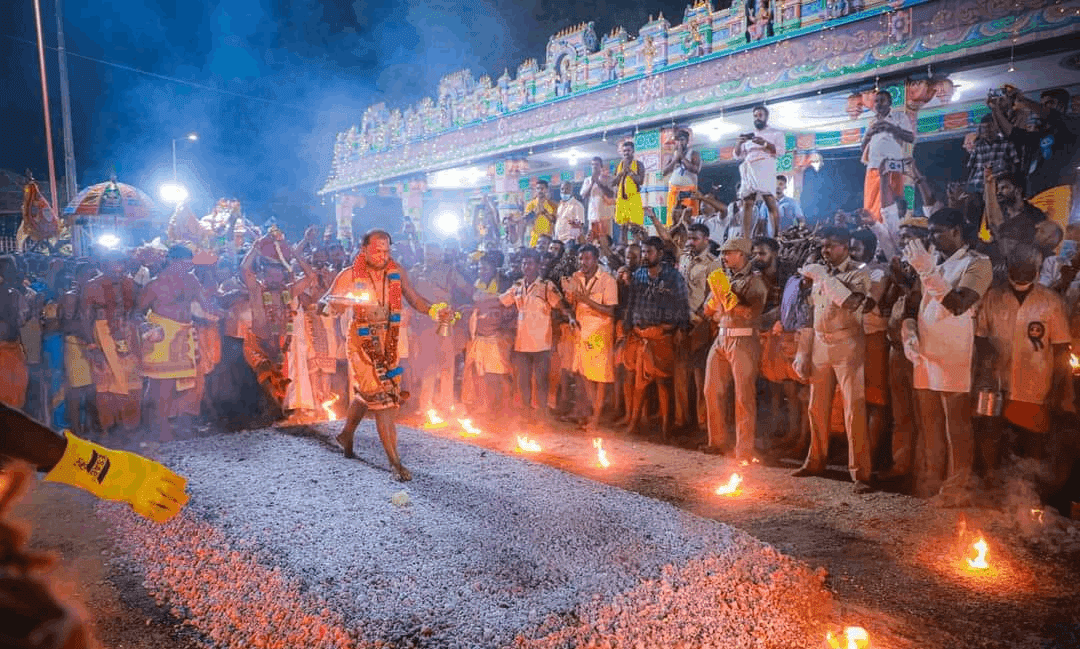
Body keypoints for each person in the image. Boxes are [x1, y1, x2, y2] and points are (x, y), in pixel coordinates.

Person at [320, 230, 452, 481]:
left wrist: (435, 310)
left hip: (389, 338)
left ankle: (346, 434)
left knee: (372, 393)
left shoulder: (396, 272)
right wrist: (332, 305)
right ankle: (395, 463)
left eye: (386, 251)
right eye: (377, 251)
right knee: (384, 400)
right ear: (364, 251)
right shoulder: (349, 275)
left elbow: (414, 299)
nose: (382, 256)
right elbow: (328, 304)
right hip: (361, 342)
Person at [901, 208, 992, 505]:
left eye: (938, 231)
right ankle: (931, 483)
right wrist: (909, 330)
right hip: (926, 354)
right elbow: (915, 301)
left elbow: (958, 304)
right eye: (930, 232)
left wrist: (928, 272)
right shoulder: (933, 259)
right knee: (930, 425)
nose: (932, 238)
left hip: (955, 353)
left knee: (957, 428)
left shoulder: (977, 263)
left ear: (956, 231)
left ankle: (957, 489)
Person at [975, 243, 1072, 487]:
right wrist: (986, 363)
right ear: (1009, 266)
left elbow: (1061, 348)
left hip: (1035, 383)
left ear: (1038, 269)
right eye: (1018, 266)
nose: (1023, 272)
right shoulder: (993, 297)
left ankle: (1029, 493)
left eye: (1030, 267)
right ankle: (990, 482)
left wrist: (1060, 389)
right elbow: (981, 336)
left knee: (1033, 440)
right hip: (996, 383)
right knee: (990, 432)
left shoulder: (1050, 301)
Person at [793, 227, 874, 493]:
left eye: (831, 246)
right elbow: (809, 313)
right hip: (820, 342)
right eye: (823, 246)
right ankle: (815, 461)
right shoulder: (819, 276)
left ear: (846, 247)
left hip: (847, 342)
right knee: (816, 406)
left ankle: (861, 472)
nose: (825, 250)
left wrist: (824, 277)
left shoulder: (859, 273)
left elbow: (852, 303)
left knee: (854, 408)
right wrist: (803, 352)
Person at [138, 245, 221, 442]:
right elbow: (136, 312)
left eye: (188, 264)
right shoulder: (154, 285)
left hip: (185, 334)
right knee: (162, 385)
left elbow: (205, 304)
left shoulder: (191, 280)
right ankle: (161, 429)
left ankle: (181, 425)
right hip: (162, 335)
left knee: (188, 383)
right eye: (182, 264)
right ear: (171, 261)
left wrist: (219, 310)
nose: (186, 268)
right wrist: (147, 328)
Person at [701, 238, 767, 461]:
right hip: (721, 337)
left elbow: (752, 314)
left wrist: (729, 300)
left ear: (742, 254)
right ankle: (717, 441)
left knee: (743, 396)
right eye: (723, 253)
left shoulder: (755, 281)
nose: (724, 257)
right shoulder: (723, 277)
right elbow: (707, 310)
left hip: (743, 339)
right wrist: (714, 301)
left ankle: (744, 449)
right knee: (711, 390)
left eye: (729, 253)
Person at [621, 236, 691, 437]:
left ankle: (664, 428)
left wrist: (680, 329)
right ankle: (634, 423)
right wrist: (629, 326)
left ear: (660, 254)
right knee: (639, 383)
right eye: (643, 252)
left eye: (648, 252)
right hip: (641, 334)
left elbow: (682, 304)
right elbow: (632, 302)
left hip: (662, 335)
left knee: (662, 382)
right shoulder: (639, 274)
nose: (645, 256)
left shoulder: (673, 277)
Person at [500, 249, 566, 421]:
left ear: (538, 265)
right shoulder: (517, 286)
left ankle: (543, 415)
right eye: (524, 263)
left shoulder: (546, 286)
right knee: (523, 381)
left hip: (541, 343)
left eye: (530, 263)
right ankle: (527, 414)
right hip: (522, 342)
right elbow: (502, 301)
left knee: (541, 382)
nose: (526, 266)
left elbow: (560, 306)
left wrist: (570, 319)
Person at [82, 250, 143, 433]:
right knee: (105, 385)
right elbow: (84, 318)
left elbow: (137, 310)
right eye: (114, 264)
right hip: (102, 336)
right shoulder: (92, 287)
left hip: (129, 334)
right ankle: (107, 430)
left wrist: (140, 324)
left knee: (133, 381)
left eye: (121, 264)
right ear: (103, 266)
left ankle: (130, 428)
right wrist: (93, 347)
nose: (119, 268)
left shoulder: (131, 284)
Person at [565, 244, 618, 429]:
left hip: (599, 333)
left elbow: (610, 311)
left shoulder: (607, 280)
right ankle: (592, 412)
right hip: (581, 332)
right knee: (583, 372)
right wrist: (571, 318)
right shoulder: (575, 277)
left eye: (587, 259)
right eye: (581, 259)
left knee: (600, 377)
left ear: (596, 259)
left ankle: (596, 418)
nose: (583, 262)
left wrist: (586, 300)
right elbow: (570, 304)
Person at [676, 223, 721, 430]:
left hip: (700, 322)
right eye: (689, 238)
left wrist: (701, 320)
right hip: (680, 320)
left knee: (700, 374)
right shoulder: (684, 258)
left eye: (695, 238)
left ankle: (703, 423)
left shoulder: (714, 264)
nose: (690, 242)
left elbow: (714, 295)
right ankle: (682, 419)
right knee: (681, 372)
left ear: (706, 240)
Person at [861, 89, 915, 223]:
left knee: (892, 202)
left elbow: (910, 137)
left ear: (889, 102)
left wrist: (890, 127)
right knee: (872, 203)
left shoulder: (899, 117)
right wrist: (868, 134)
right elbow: (863, 147)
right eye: (876, 101)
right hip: (873, 167)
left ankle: (893, 230)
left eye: (882, 100)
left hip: (893, 166)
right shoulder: (871, 122)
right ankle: (873, 229)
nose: (878, 104)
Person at [735, 106, 785, 237]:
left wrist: (765, 143)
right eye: (755, 116)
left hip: (764, 166)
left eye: (760, 115)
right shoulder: (749, 134)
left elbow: (780, 151)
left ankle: (776, 235)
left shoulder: (776, 133)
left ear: (766, 117)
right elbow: (737, 156)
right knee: (747, 202)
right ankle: (745, 237)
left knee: (769, 201)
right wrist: (739, 143)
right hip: (748, 168)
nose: (757, 118)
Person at [0, 256, 29, 409]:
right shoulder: (11, 294)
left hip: (13, 348)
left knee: (16, 395)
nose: (14, 272)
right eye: (10, 269)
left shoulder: (14, 293)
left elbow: (20, 321)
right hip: (4, 351)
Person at [663, 128, 702, 225]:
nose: (679, 143)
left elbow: (695, 170)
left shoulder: (693, 153)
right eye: (677, 140)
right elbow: (664, 172)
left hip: (689, 189)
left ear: (687, 141)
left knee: (690, 217)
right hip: (674, 190)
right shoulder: (672, 155)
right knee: (672, 218)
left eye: (682, 140)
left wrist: (682, 157)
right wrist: (675, 159)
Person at [614, 139, 646, 243]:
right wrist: (621, 173)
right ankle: (623, 249)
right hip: (621, 201)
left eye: (628, 150)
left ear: (633, 151)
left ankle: (636, 248)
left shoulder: (638, 164)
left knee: (635, 228)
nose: (626, 153)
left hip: (633, 199)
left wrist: (630, 172)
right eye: (624, 151)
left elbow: (640, 181)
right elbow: (614, 182)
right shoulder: (619, 165)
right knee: (622, 228)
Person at [580, 156, 615, 239]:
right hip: (593, 216)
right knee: (593, 240)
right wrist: (592, 182)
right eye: (592, 165)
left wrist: (599, 183)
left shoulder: (609, 178)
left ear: (601, 167)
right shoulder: (587, 180)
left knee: (606, 240)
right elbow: (584, 195)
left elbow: (611, 194)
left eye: (596, 164)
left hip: (605, 215)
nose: (594, 167)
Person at [526, 180, 558, 248]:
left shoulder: (553, 205)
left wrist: (545, 212)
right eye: (538, 188)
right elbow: (527, 221)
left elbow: (556, 221)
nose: (540, 190)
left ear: (546, 190)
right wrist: (536, 213)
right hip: (535, 240)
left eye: (542, 188)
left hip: (548, 240)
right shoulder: (530, 204)